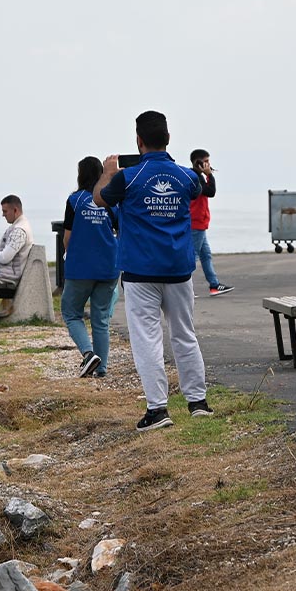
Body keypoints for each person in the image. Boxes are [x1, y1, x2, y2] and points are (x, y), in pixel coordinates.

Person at [94, 110, 212, 431]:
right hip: (178, 268)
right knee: (184, 334)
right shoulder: (186, 177)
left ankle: (158, 409)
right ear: (169, 139)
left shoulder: (127, 177)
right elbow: (198, 189)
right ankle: (197, 401)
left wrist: (107, 172)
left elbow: (100, 200)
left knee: (147, 338)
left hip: (140, 270)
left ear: (138, 140)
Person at [63, 156, 119, 378]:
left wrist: (72, 252)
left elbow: (67, 237)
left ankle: (88, 355)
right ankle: (102, 368)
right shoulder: (110, 201)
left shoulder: (75, 200)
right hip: (108, 266)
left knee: (71, 312)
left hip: (81, 268)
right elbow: (118, 230)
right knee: (101, 318)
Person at [188, 149, 234, 297]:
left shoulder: (196, 176)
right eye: (206, 161)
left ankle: (214, 285)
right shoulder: (196, 177)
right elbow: (210, 192)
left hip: (199, 222)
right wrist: (209, 175)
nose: (209, 164)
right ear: (198, 163)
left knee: (205, 255)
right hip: (196, 223)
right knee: (192, 257)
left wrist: (207, 174)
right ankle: (185, 288)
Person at [0, 195, 34, 318]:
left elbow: (5, 257)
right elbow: (3, 251)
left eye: (5, 211)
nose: (3, 215)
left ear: (15, 210)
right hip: (1, 273)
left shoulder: (19, 231)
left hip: (5, 278)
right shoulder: (16, 227)